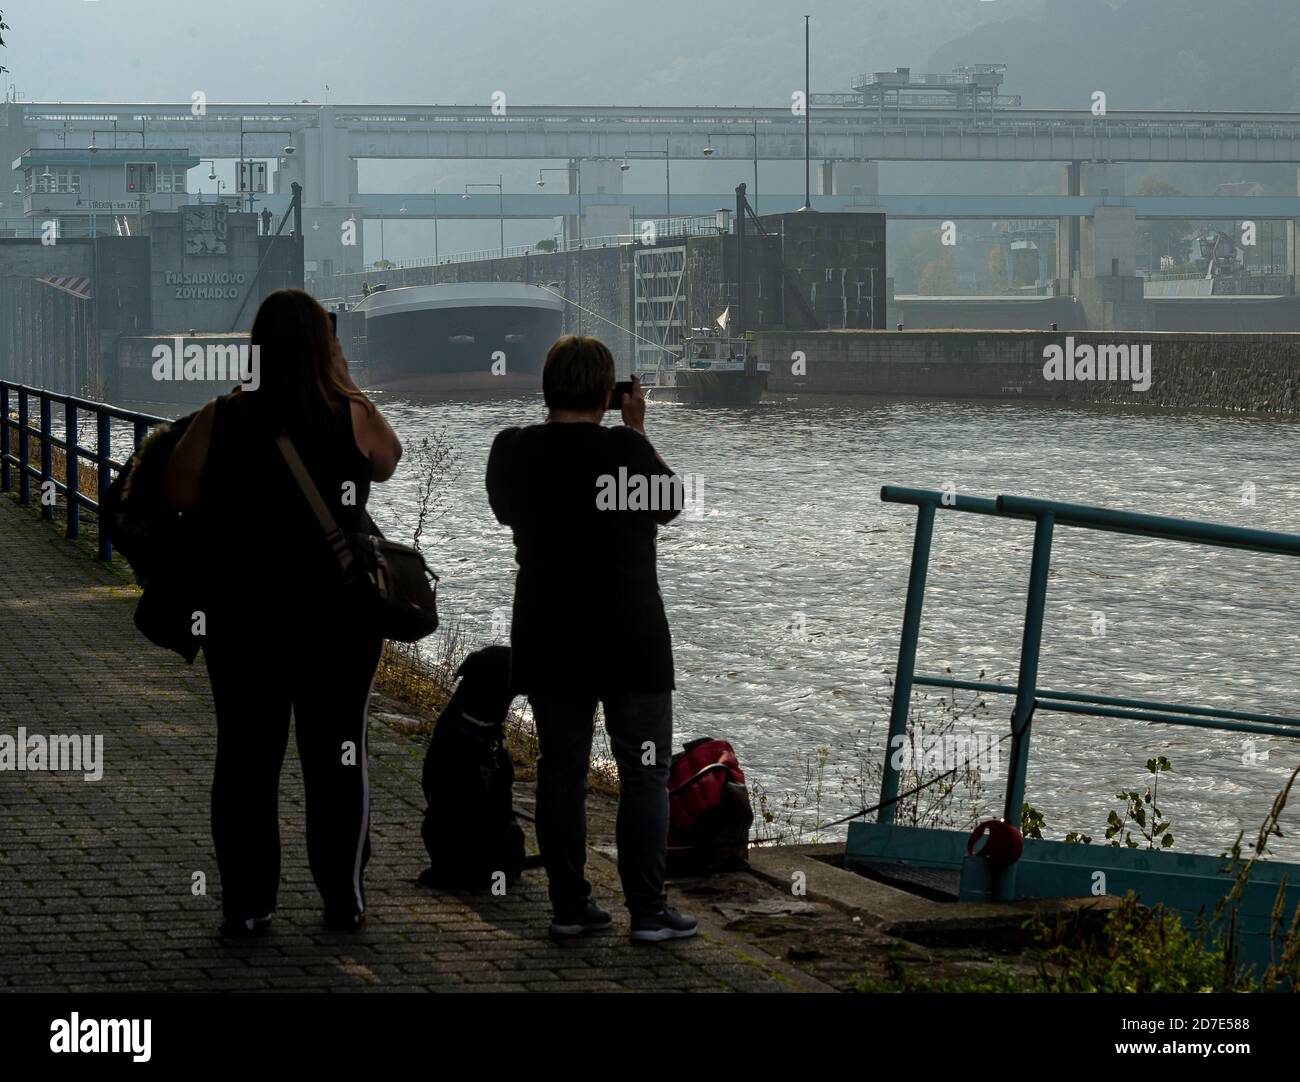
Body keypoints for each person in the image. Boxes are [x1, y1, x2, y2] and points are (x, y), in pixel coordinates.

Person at [162, 288, 402, 937]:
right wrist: (349, 384)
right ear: (325, 350)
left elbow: (178, 490)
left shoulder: (223, 417)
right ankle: (343, 898)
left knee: (245, 760)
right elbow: (389, 459)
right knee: (339, 757)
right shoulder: (348, 415)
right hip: (338, 625)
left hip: (244, 621)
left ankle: (247, 903)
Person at [486, 335, 697, 943]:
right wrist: (636, 429)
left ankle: (570, 907)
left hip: (549, 636)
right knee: (645, 773)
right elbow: (673, 504)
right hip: (630, 638)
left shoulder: (514, 449)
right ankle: (649, 913)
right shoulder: (625, 447)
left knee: (561, 772)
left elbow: (504, 510)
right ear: (608, 394)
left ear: (546, 387)